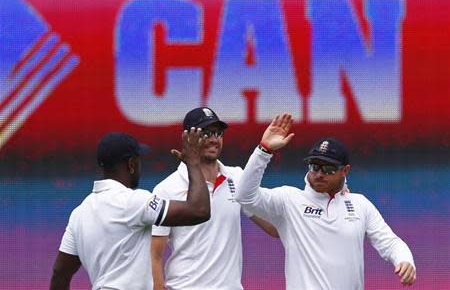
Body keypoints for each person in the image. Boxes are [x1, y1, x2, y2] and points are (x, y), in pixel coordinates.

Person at [234, 113, 416, 290]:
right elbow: (244, 196)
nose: (319, 174)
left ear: (345, 170)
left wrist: (405, 260)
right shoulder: (289, 200)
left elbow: (390, 242)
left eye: (328, 169)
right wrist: (264, 150)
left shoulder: (360, 204)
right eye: (314, 166)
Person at [50, 130, 211, 290]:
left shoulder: (79, 214)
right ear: (131, 164)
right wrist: (193, 163)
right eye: (139, 160)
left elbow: (60, 274)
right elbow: (199, 210)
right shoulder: (133, 201)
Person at [151, 107, 278, 290]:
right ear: (188, 138)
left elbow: (273, 227)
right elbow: (154, 255)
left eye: (218, 133)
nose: (213, 139)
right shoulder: (166, 189)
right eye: (205, 133)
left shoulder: (236, 177)